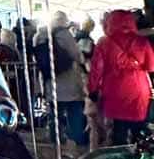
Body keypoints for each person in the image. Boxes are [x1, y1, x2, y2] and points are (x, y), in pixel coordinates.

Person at [88, 9, 154, 144]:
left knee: (119, 128)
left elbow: (96, 70)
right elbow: (151, 66)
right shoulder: (142, 42)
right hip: (138, 89)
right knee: (139, 128)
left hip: (114, 89)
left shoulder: (104, 43)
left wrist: (92, 90)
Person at [35, 10, 87, 150]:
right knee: (74, 113)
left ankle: (55, 140)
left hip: (51, 81)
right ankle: (76, 142)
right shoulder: (64, 34)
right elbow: (77, 55)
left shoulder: (40, 35)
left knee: (55, 113)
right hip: (69, 82)